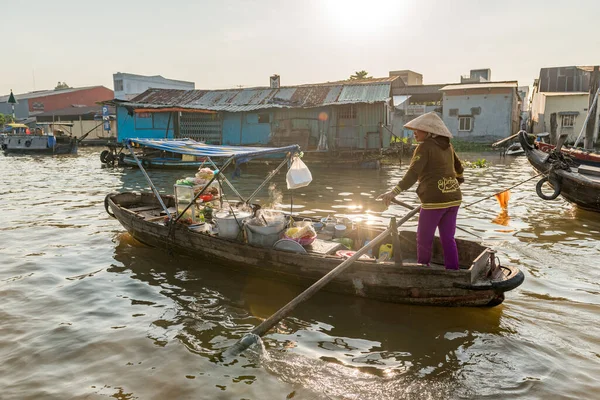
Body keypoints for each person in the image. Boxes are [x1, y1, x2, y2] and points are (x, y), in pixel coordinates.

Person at [378, 112, 464, 270]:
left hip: (434, 201)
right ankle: (454, 270)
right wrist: (455, 183)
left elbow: (413, 174)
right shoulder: (448, 146)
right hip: (454, 199)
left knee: (424, 238)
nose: (415, 133)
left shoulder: (424, 147)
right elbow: (459, 169)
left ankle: (423, 268)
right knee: (448, 238)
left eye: (419, 129)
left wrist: (393, 193)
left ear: (430, 132)